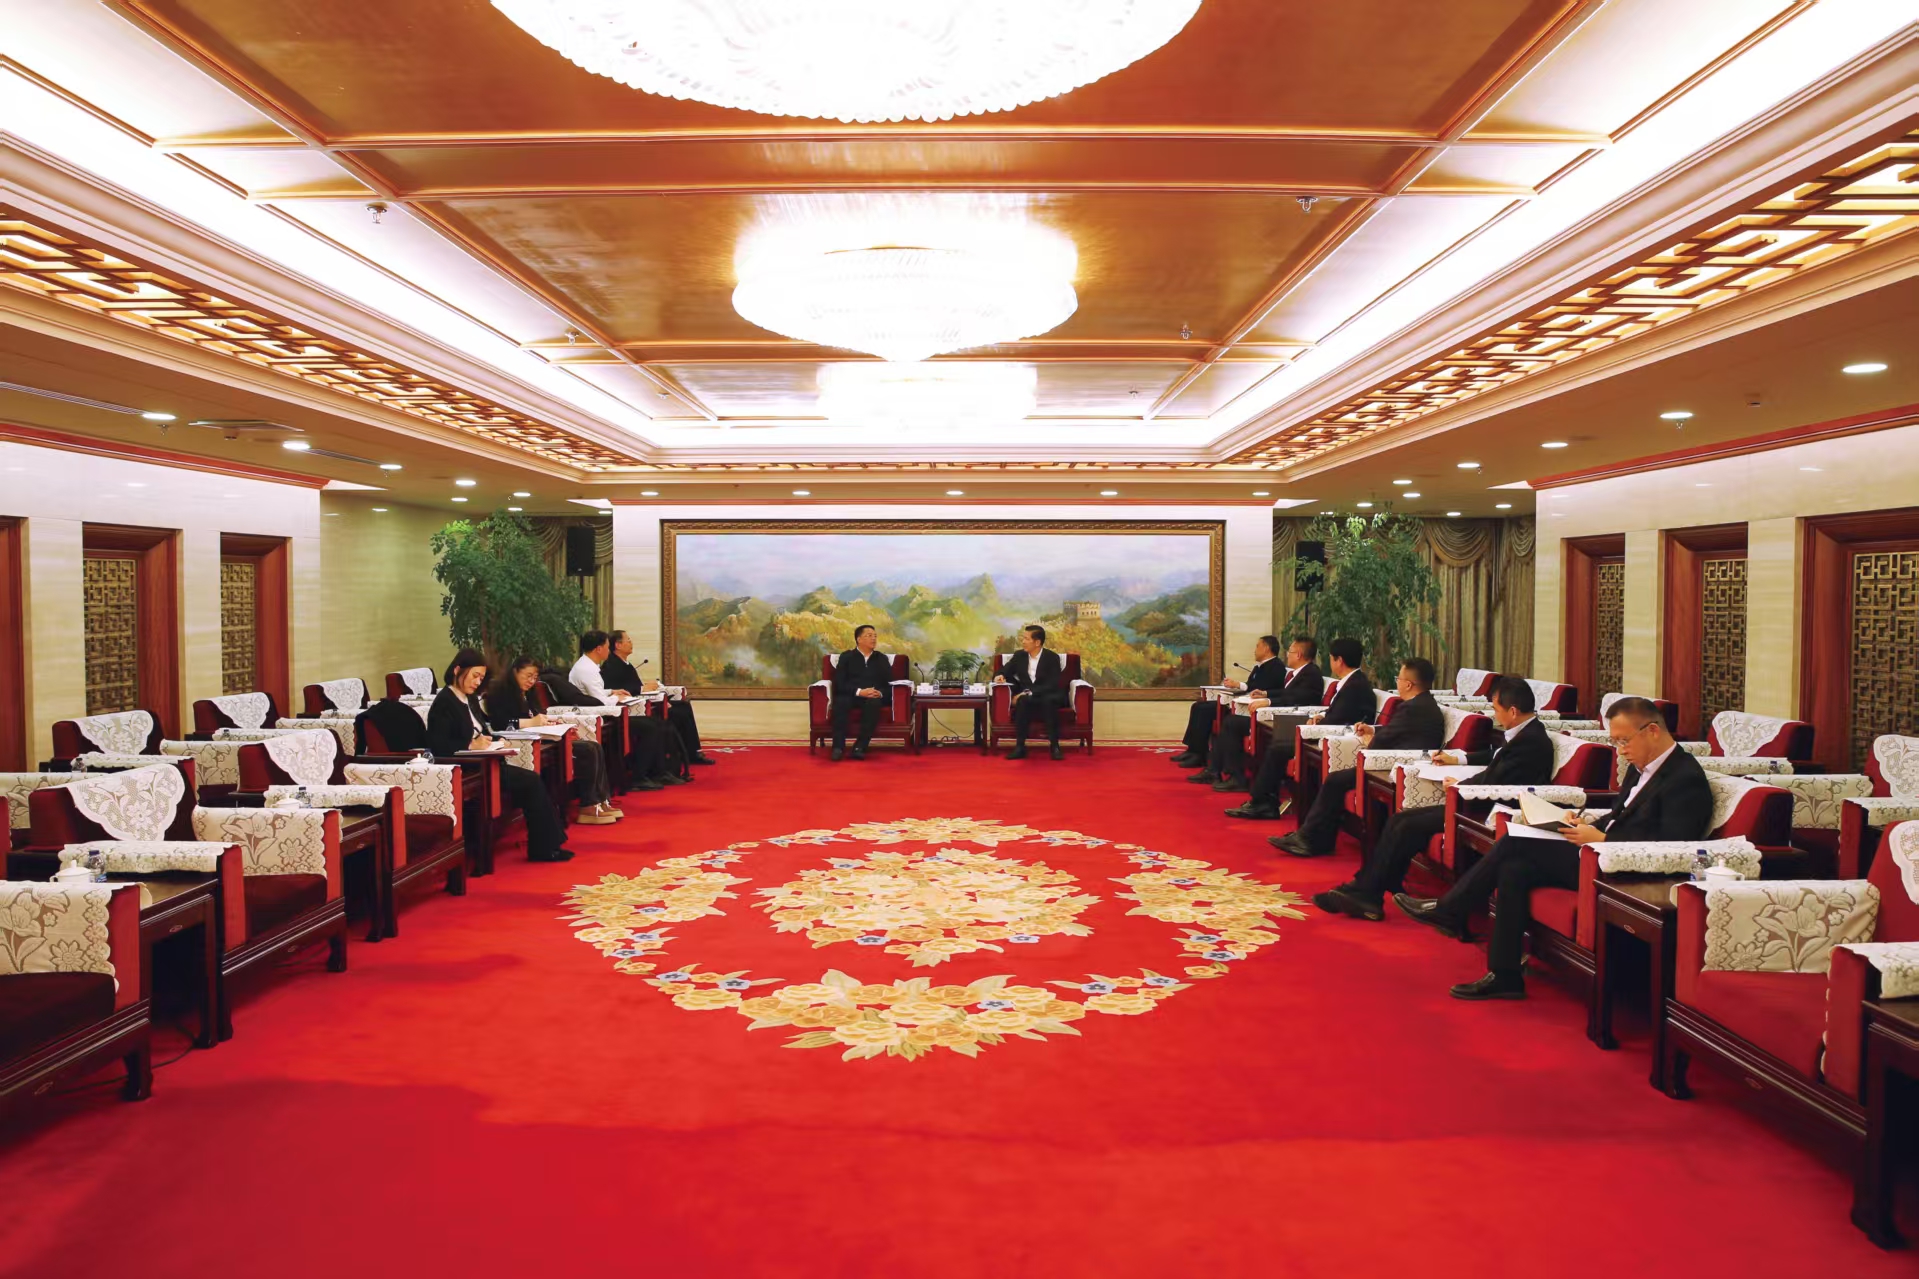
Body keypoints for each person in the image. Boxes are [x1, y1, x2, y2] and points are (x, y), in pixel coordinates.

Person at [1395, 696, 1714, 1001]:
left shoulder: (1685, 778)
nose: (1621, 750)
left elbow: (1674, 844)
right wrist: (1584, 821)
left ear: (1653, 730)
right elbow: (1620, 815)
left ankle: (1450, 910)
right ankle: (1505, 976)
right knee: (1514, 869)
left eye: (1624, 740)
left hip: (1626, 869)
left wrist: (1603, 840)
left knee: (1515, 844)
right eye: (1615, 742)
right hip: (1597, 852)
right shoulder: (1639, 764)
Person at [1313, 675, 1552, 922]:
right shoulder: (1525, 732)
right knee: (1399, 820)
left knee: (1407, 825)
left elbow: (1499, 778)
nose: (1495, 715)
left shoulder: (1531, 742)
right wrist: (1458, 759)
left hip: (1490, 809)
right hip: (1475, 799)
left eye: (1497, 709)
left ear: (1512, 711)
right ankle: (1366, 890)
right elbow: (1495, 756)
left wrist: (1460, 785)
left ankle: (1366, 892)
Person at [1272, 656, 1445, 858]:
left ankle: (1312, 839)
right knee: (1336, 779)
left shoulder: (1414, 708)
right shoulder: (1421, 704)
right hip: (1396, 761)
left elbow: (1388, 739)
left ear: (1408, 684)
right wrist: (1372, 729)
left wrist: (1371, 742)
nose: (1397, 682)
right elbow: (1396, 731)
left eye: (1398, 678)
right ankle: (1314, 836)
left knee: (1335, 780)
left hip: (1399, 768)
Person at [428, 648, 571, 863]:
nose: (478, 682)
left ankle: (548, 845)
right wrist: (471, 744)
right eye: (475, 676)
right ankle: (544, 848)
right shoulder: (444, 702)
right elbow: (438, 745)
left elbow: (483, 728)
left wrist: (496, 740)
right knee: (531, 781)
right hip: (467, 767)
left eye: (481, 678)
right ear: (457, 670)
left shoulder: (469, 698)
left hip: (487, 761)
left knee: (533, 779)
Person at [1226, 637, 1374, 820]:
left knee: (1278, 748)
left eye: (1330, 658)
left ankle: (1263, 802)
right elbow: (1338, 712)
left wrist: (1315, 725)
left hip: (1339, 741)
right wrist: (1321, 716)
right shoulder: (1352, 681)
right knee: (1278, 745)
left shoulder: (1354, 686)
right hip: (1330, 733)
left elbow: (1341, 719)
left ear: (1339, 661)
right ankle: (1263, 801)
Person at [483, 656, 622, 825]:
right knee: (587, 751)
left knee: (594, 746)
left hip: (540, 736)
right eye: (528, 676)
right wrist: (531, 722)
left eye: (535, 677)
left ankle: (601, 800)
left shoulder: (529, 692)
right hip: (521, 742)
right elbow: (498, 724)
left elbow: (538, 716)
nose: (531, 681)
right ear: (515, 672)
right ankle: (588, 806)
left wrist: (555, 726)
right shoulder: (500, 692)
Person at [1193, 636, 1326, 792]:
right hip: (1282, 716)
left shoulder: (1311, 674)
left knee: (1232, 722)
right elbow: (1286, 693)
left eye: (1289, 651)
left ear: (1298, 655)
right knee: (1231, 721)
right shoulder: (1300, 673)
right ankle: (1216, 770)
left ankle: (1236, 777)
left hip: (1291, 721)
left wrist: (1268, 701)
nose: (1286, 655)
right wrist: (1266, 693)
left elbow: (1299, 698)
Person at [1170, 634, 1290, 769]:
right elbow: (1251, 686)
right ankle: (1193, 750)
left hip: (1250, 708)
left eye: (1257, 646)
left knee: (1205, 710)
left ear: (1266, 648)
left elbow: (1261, 688)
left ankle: (1199, 755)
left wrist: (1238, 684)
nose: (1254, 650)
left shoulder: (1276, 666)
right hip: (1241, 702)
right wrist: (1235, 686)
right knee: (1198, 706)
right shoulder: (1259, 667)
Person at [602, 629, 713, 765]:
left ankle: (691, 751)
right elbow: (617, 690)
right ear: (618, 645)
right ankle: (682, 754)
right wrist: (642, 688)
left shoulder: (625, 664)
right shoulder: (611, 665)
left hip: (642, 702)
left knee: (684, 705)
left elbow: (632, 685)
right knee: (678, 713)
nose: (631, 643)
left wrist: (646, 687)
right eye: (628, 640)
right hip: (632, 709)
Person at [994, 624, 1066, 760]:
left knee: (1047, 701)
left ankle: (1055, 747)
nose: (1023, 642)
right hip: (1028, 697)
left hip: (1047, 694)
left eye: (1026, 639)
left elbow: (1052, 684)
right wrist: (1000, 675)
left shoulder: (1052, 658)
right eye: (1023, 638)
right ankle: (1020, 747)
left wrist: (1028, 692)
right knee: (1023, 701)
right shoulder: (1019, 656)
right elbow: (1005, 670)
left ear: (1037, 642)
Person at [829, 624, 894, 760]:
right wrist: (859, 692)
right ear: (859, 639)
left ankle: (860, 747)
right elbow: (839, 683)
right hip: (852, 694)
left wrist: (880, 693)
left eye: (875, 636)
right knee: (840, 702)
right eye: (869, 636)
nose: (873, 639)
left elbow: (889, 684)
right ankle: (838, 747)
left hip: (872, 696)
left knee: (874, 703)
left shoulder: (881, 659)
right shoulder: (846, 657)